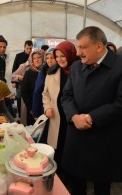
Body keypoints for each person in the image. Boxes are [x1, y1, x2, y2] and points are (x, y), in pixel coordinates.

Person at [61, 26, 122, 195]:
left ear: (98, 46)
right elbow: (66, 96)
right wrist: (74, 117)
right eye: (77, 47)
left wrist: (91, 118)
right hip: (77, 134)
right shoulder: (76, 66)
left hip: (104, 136)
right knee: (76, 182)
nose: (78, 53)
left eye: (82, 47)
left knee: (102, 187)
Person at [42, 41, 78, 179]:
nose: (59, 59)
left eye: (63, 55)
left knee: (71, 149)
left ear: (70, 54)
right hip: (57, 117)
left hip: (73, 117)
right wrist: (48, 108)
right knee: (58, 146)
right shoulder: (52, 72)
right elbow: (45, 94)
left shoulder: (79, 70)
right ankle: (59, 176)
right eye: (57, 56)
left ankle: (71, 177)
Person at [21, 49, 45, 126]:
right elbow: (24, 92)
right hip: (33, 108)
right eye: (34, 58)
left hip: (45, 108)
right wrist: (31, 108)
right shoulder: (29, 73)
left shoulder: (47, 72)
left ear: (43, 58)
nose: (36, 60)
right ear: (31, 60)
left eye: (39, 57)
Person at [32, 47, 56, 119]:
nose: (49, 61)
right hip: (46, 108)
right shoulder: (44, 72)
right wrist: (36, 113)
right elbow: (37, 92)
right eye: (47, 58)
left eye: (52, 58)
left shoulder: (61, 71)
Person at [12, 40, 33, 117]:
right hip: (19, 81)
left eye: (30, 48)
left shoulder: (33, 57)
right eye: (27, 48)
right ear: (24, 48)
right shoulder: (18, 56)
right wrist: (13, 82)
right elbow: (14, 68)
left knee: (27, 98)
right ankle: (20, 115)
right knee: (19, 98)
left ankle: (28, 114)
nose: (29, 50)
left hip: (29, 82)